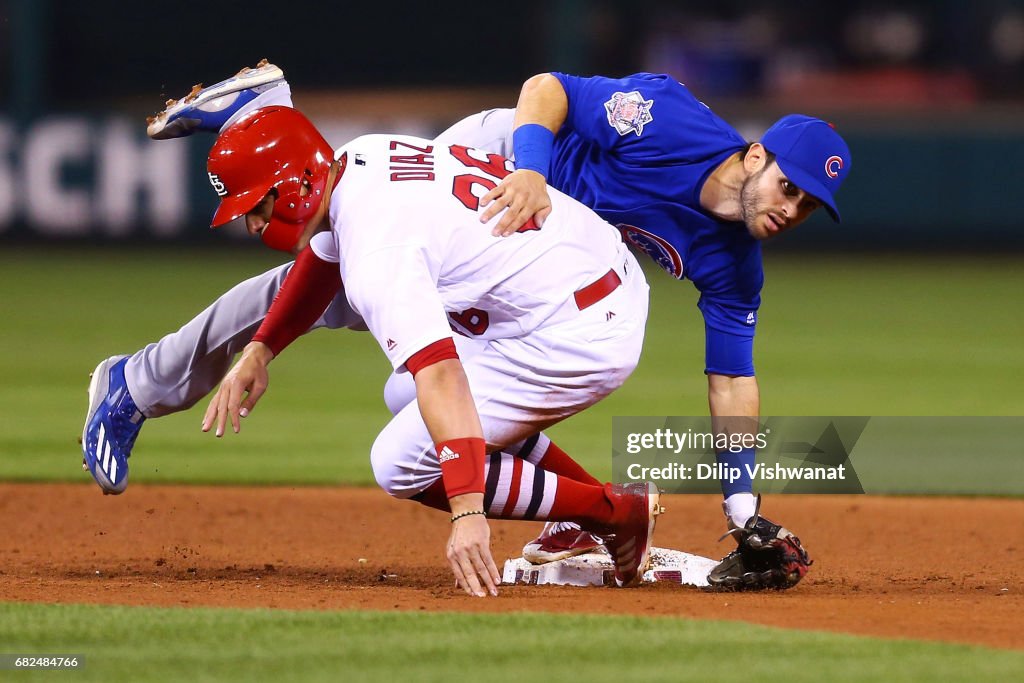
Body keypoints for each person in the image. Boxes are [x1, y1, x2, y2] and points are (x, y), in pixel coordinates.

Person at [84, 60, 845, 589]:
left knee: (371, 321)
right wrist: (531, 167)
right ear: (757, 154)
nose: (791, 208)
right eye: (789, 184)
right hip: (502, 167)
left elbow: (732, 381)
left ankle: (603, 514)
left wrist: (742, 509)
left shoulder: (736, 262)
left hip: (535, 264)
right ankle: (137, 378)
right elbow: (547, 89)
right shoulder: (669, 122)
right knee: (329, 255)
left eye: (808, 205)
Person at [203, 105, 657, 595]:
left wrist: (467, 511)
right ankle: (594, 510)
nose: (252, 225)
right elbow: (326, 253)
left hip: (580, 333)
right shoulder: (360, 156)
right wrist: (261, 349)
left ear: (295, 184)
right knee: (404, 393)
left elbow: (442, 376)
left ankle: (615, 514)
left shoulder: (379, 254)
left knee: (399, 462)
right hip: (585, 272)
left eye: (257, 207)